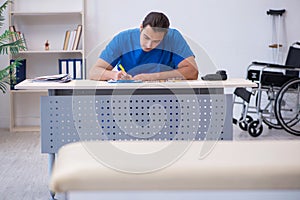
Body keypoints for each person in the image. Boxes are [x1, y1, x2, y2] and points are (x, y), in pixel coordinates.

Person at [89, 11, 198, 81]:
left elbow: (192, 72)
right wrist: (114, 75)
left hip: (166, 95)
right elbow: (94, 72)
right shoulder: (122, 39)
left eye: (156, 41)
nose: (149, 45)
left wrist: (151, 77)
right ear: (141, 27)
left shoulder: (173, 37)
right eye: (146, 37)